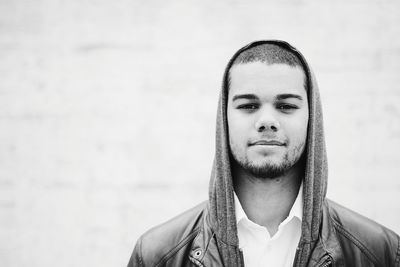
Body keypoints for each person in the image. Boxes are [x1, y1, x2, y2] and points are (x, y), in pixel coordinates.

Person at [127, 40, 399, 267]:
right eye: (247, 106)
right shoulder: (157, 255)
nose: (267, 121)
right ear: (224, 118)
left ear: (311, 118)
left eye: (286, 106)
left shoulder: (380, 252)